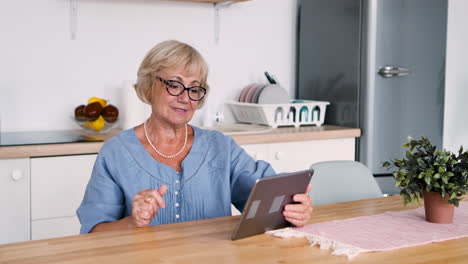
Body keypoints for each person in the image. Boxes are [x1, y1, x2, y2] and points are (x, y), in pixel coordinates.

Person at [76, 40, 313, 234]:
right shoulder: (116, 152)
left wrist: (294, 206)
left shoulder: (220, 146)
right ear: (149, 86)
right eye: (175, 85)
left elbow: (267, 195)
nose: (185, 97)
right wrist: (133, 222)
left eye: (194, 88)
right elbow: (94, 232)